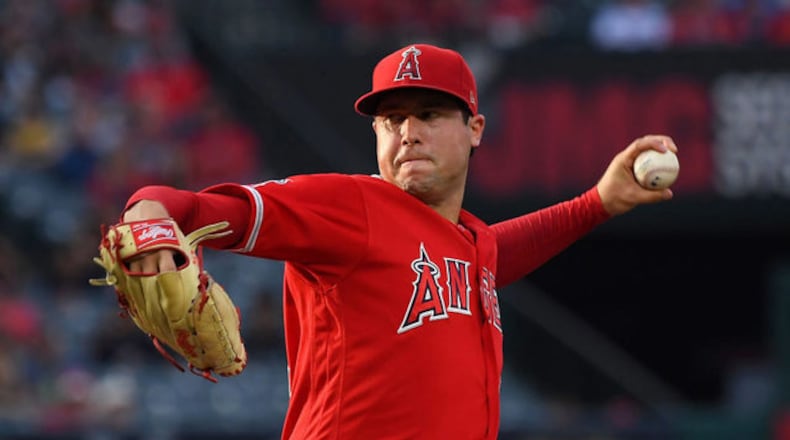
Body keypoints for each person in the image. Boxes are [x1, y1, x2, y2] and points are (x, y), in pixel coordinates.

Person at [118, 43, 677, 439]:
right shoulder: (350, 207)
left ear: (475, 129)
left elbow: (493, 257)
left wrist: (598, 202)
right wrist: (150, 211)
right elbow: (211, 209)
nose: (408, 131)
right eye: (392, 119)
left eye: (429, 114)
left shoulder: (468, 243)